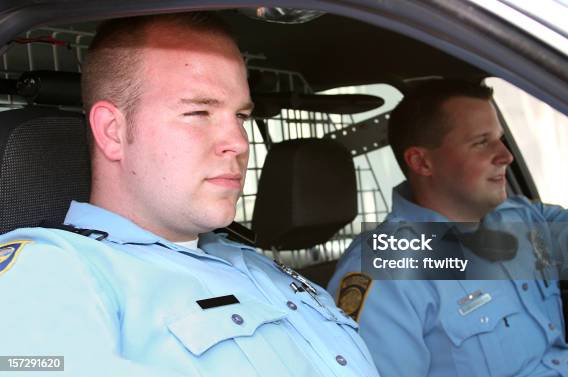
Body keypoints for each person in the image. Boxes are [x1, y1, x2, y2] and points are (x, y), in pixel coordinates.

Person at [0, 13, 380, 377]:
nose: (238, 142)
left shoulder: (257, 267)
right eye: (199, 113)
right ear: (113, 131)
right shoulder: (53, 275)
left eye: (241, 117)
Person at [327, 79, 568, 377]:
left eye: (500, 138)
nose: (505, 155)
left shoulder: (521, 219)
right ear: (422, 162)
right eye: (481, 142)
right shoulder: (386, 268)